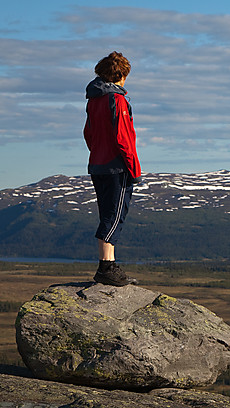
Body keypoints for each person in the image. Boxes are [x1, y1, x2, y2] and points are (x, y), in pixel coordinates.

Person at [84, 51, 142, 286]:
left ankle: (109, 264)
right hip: (116, 167)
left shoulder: (94, 100)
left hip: (97, 164)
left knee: (107, 213)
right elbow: (124, 138)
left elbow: (88, 133)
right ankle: (106, 267)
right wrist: (134, 169)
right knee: (115, 215)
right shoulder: (117, 100)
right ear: (121, 75)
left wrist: (97, 152)